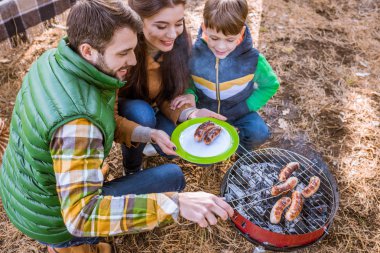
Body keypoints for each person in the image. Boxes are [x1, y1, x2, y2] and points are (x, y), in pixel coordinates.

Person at [0, 1, 233, 253]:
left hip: (23, 196)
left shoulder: (53, 60)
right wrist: (176, 205)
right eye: (123, 53)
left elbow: (105, 118)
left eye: (133, 49)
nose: (133, 60)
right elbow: (81, 218)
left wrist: (148, 133)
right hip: (52, 221)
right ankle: (67, 247)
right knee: (173, 178)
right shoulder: (78, 125)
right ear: (88, 51)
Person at [115, 0, 225, 174]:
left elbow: (170, 92)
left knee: (177, 148)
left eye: (179, 23)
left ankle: (148, 143)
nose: (173, 34)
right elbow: (108, 114)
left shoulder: (178, 44)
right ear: (137, 21)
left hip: (158, 106)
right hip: (129, 107)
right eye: (161, 26)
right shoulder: (120, 51)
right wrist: (144, 132)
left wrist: (191, 113)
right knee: (142, 114)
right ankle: (132, 167)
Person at [171, 0, 280, 153]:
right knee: (201, 155)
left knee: (258, 132)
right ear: (204, 28)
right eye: (214, 38)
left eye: (230, 40)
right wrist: (189, 94)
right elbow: (188, 81)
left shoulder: (253, 60)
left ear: (241, 34)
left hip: (239, 111)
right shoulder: (193, 54)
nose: (221, 47)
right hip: (205, 112)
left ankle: (237, 151)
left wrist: (245, 107)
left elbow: (270, 85)